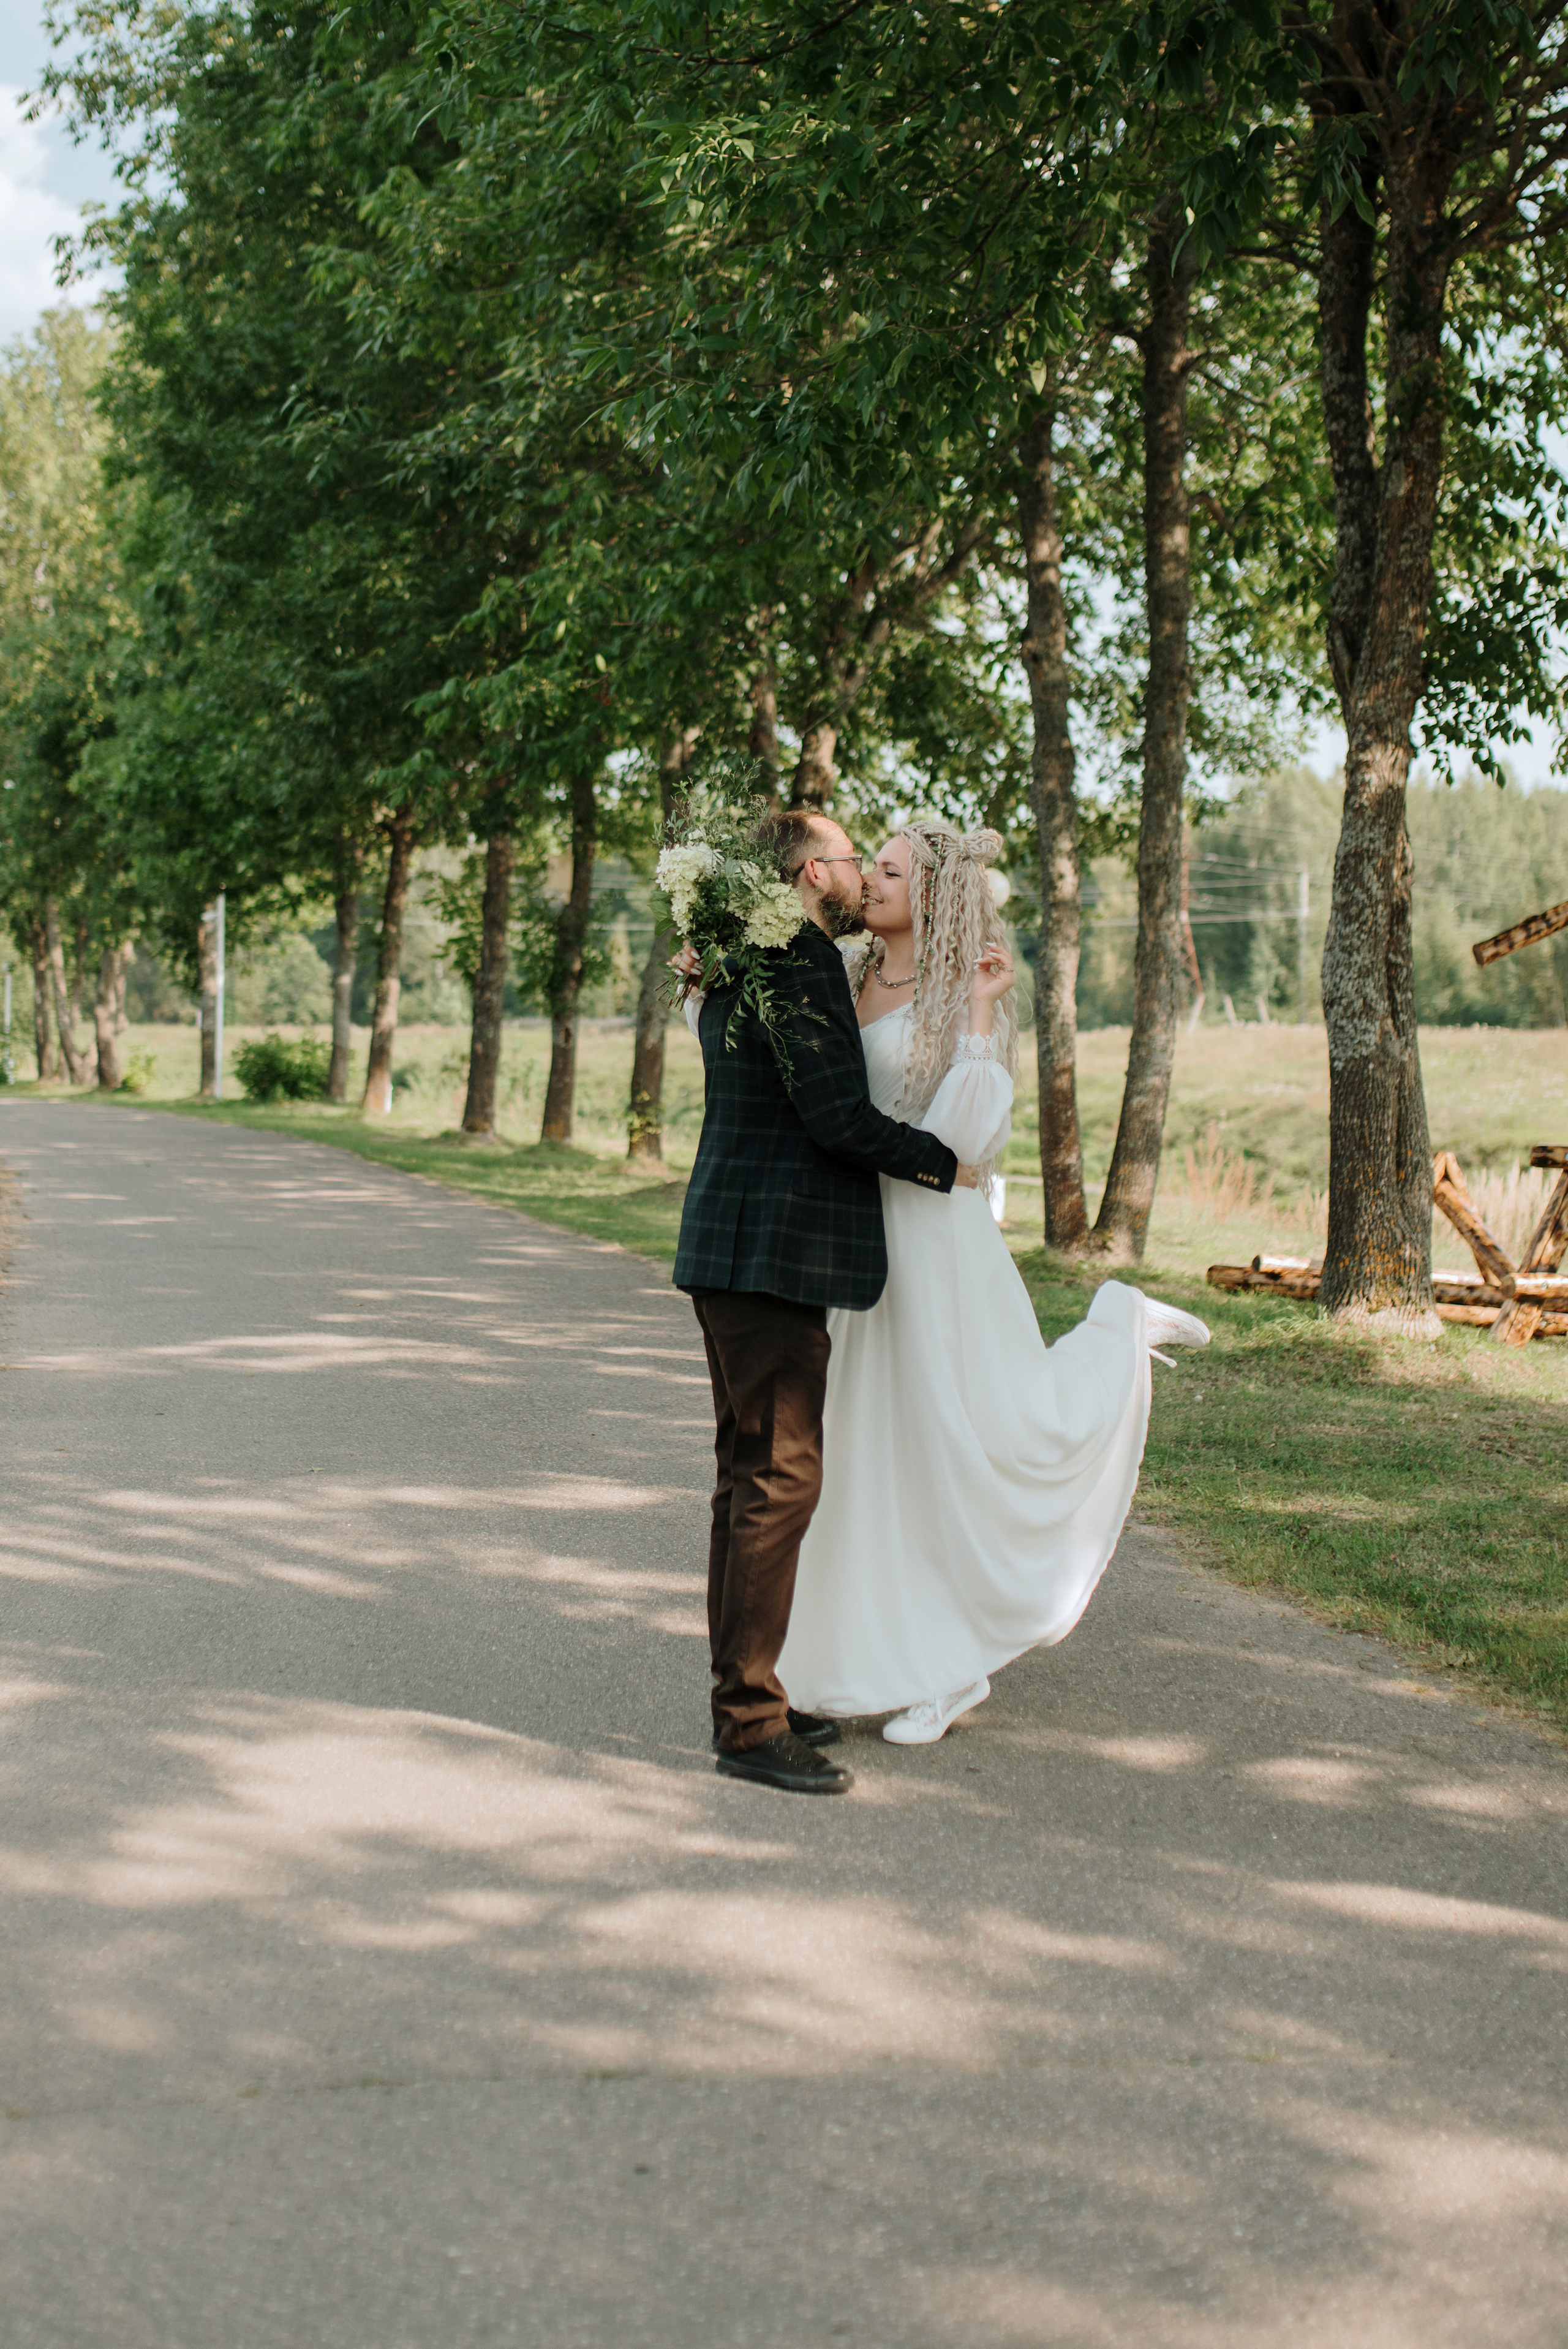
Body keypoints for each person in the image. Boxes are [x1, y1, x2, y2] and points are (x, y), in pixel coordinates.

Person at [772, 819, 1209, 1742]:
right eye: (873, 868)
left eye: (890, 871)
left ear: (931, 894)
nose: (874, 882)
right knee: (864, 1460)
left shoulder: (966, 989)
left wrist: (977, 1015)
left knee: (959, 1450)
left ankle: (951, 1666)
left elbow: (966, 1143)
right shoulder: (846, 974)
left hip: (935, 1244)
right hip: (859, 1244)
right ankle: (852, 1656)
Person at [671, 808, 982, 1797]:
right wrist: (945, 1162)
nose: (859, 873)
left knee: (747, 1479)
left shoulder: (736, 964)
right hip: (775, 1255)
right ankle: (751, 1725)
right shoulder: (797, 962)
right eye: (852, 858)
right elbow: (836, 1116)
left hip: (732, 1249)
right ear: (815, 871)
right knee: (778, 1480)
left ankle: (755, 1687)